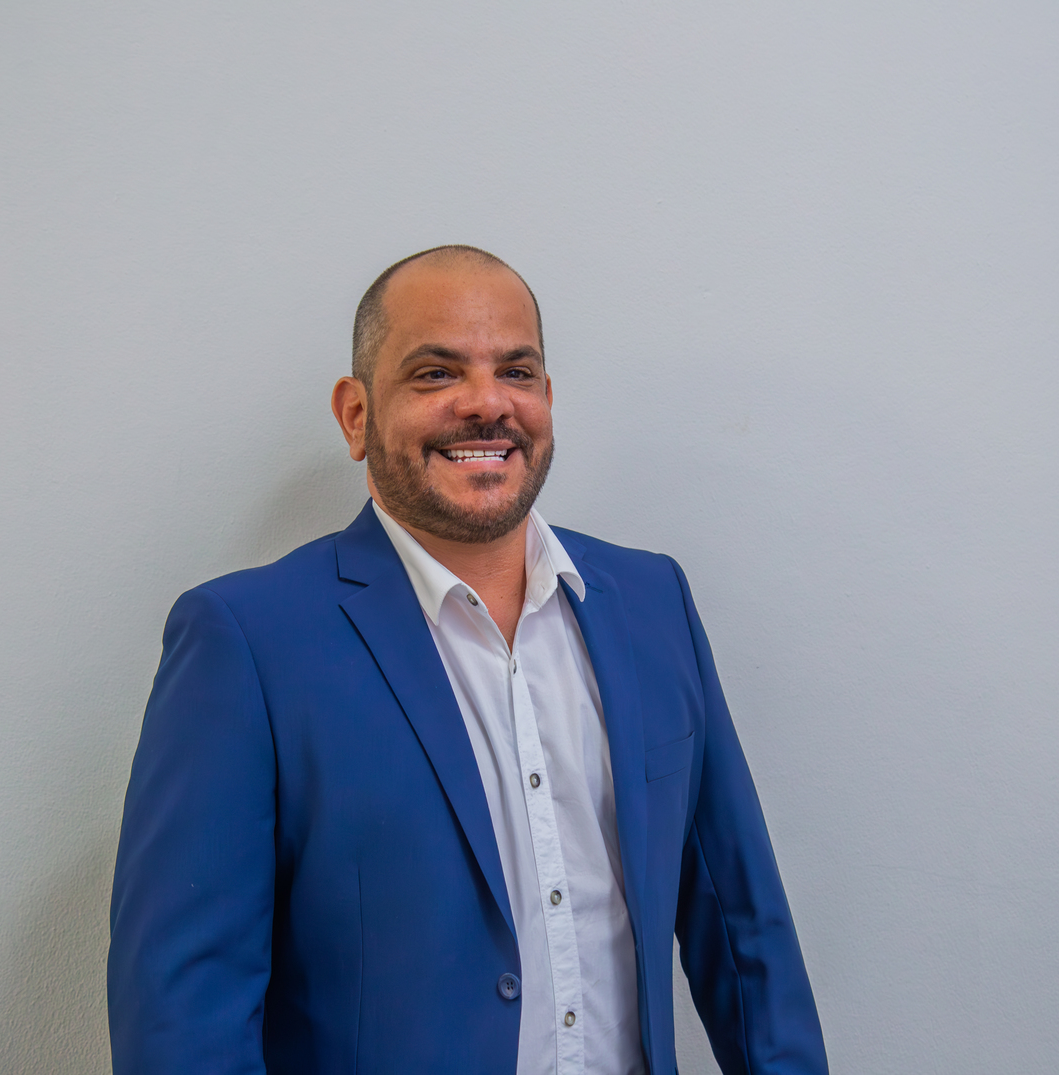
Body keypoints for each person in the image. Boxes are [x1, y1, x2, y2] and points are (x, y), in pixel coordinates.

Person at [107, 245, 829, 1075]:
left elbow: (746, 933)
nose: (488, 402)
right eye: (436, 373)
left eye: (516, 371)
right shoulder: (245, 640)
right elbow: (183, 1021)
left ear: (547, 399)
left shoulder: (652, 602)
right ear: (356, 415)